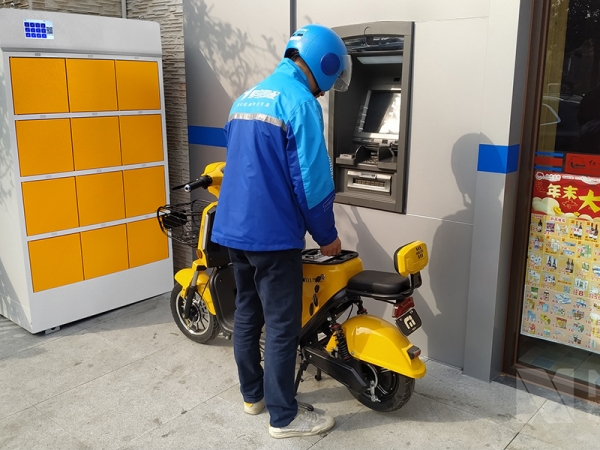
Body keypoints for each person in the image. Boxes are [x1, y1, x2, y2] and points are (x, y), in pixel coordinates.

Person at [211, 24, 352, 438]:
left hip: (233, 229)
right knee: (281, 324)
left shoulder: (245, 98)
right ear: (324, 63)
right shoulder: (300, 102)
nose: (327, 89)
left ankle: (253, 396)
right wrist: (327, 235)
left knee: (247, 312)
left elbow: (243, 163)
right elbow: (311, 181)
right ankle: (284, 417)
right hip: (272, 235)